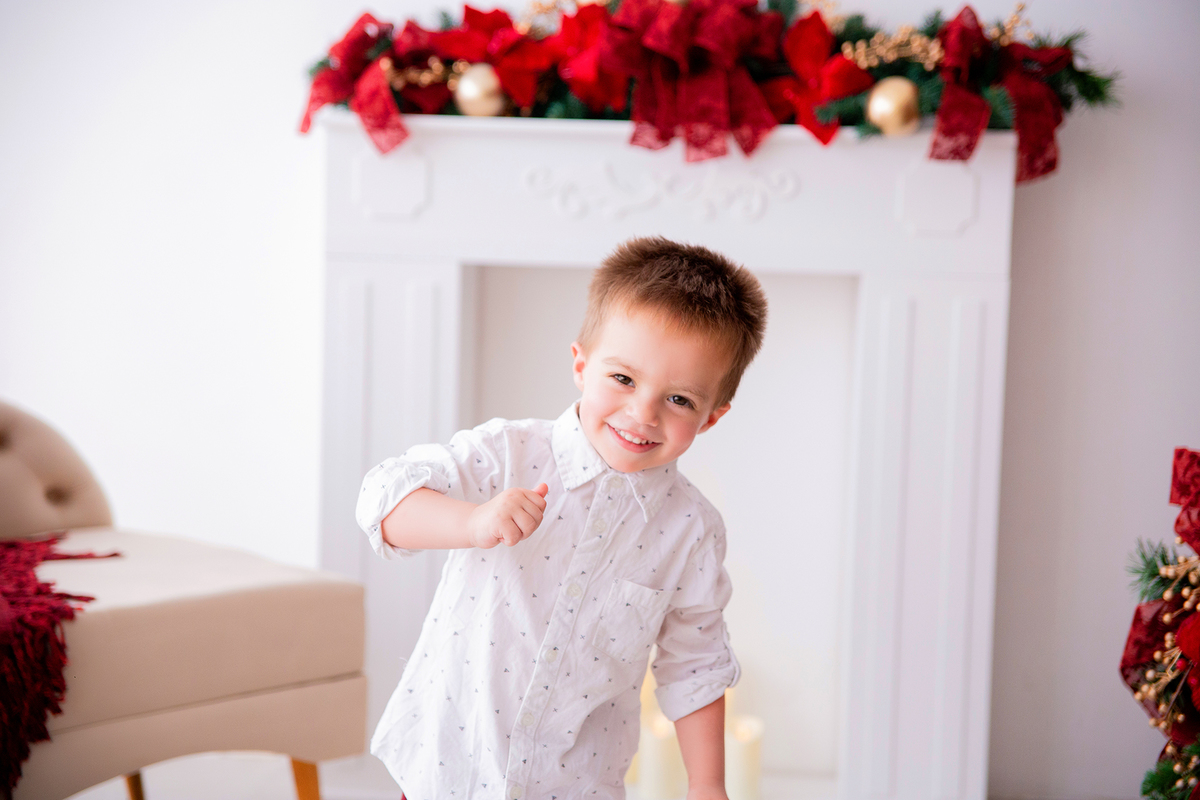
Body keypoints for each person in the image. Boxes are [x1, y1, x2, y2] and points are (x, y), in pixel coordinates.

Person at [356, 236, 768, 800]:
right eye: (623, 379)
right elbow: (382, 500)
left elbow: (695, 664)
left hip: (574, 785)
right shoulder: (507, 454)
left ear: (712, 418)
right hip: (447, 772)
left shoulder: (690, 530)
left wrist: (707, 784)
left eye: (679, 401)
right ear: (581, 363)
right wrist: (472, 523)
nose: (642, 413)